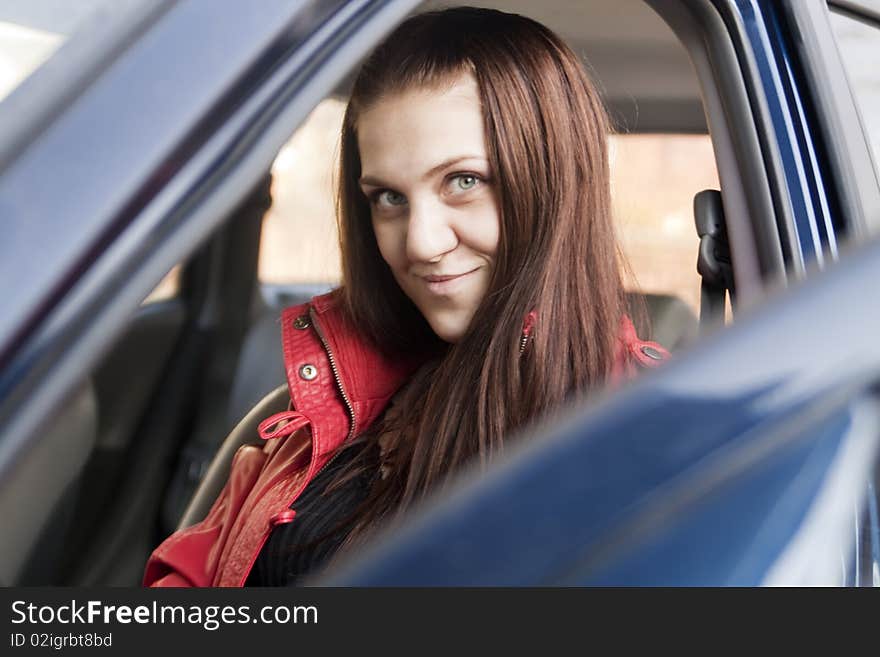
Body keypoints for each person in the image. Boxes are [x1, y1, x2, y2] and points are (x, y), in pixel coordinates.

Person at [144, 6, 668, 587]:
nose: (419, 243)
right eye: (389, 198)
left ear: (552, 181)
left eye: (464, 181)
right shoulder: (319, 408)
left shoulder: (653, 433)